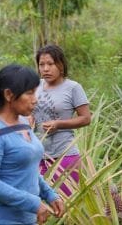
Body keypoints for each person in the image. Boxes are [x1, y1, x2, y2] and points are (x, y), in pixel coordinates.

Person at [0, 64, 64, 225]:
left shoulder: (23, 123)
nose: (35, 99)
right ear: (9, 95)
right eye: (29, 93)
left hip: (27, 220)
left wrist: (50, 195)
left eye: (35, 92)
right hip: (1, 222)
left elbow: (28, 169)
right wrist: (33, 203)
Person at [32, 44, 91, 196]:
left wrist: (59, 124)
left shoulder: (73, 88)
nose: (45, 69)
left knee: (65, 208)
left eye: (50, 64)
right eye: (41, 64)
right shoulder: (34, 86)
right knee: (40, 209)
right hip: (38, 157)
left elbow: (86, 118)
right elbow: (27, 112)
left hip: (64, 157)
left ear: (61, 65)